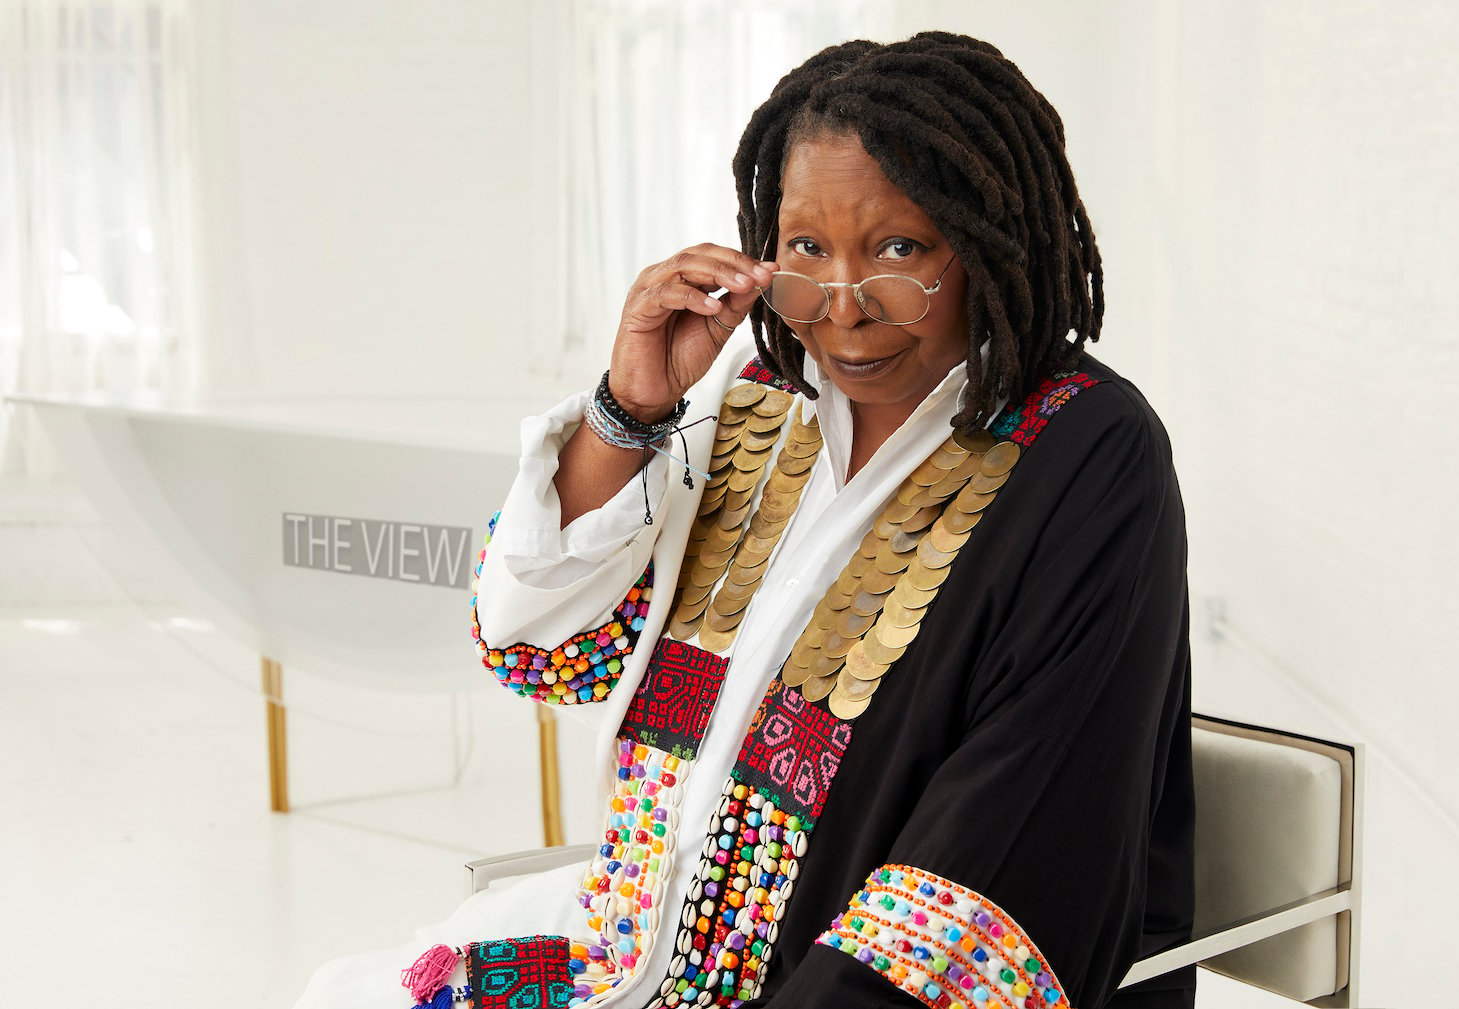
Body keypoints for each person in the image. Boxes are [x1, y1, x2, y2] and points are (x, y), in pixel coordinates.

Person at [296, 30, 1193, 1009]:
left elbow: (1019, 826)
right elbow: (544, 647)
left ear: (983, 239)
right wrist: (630, 413)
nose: (843, 308)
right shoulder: (763, 400)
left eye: (900, 247)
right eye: (808, 248)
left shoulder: (1087, 452)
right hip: (638, 948)